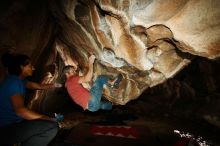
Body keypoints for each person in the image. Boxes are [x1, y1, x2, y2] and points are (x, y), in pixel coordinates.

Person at [0, 53, 61, 146]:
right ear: (22, 67)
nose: (33, 68)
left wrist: (56, 85)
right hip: (5, 129)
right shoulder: (13, 82)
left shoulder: (21, 81)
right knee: (51, 127)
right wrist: (48, 119)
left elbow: (39, 86)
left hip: (15, 123)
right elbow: (20, 111)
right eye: (30, 66)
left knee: (51, 115)